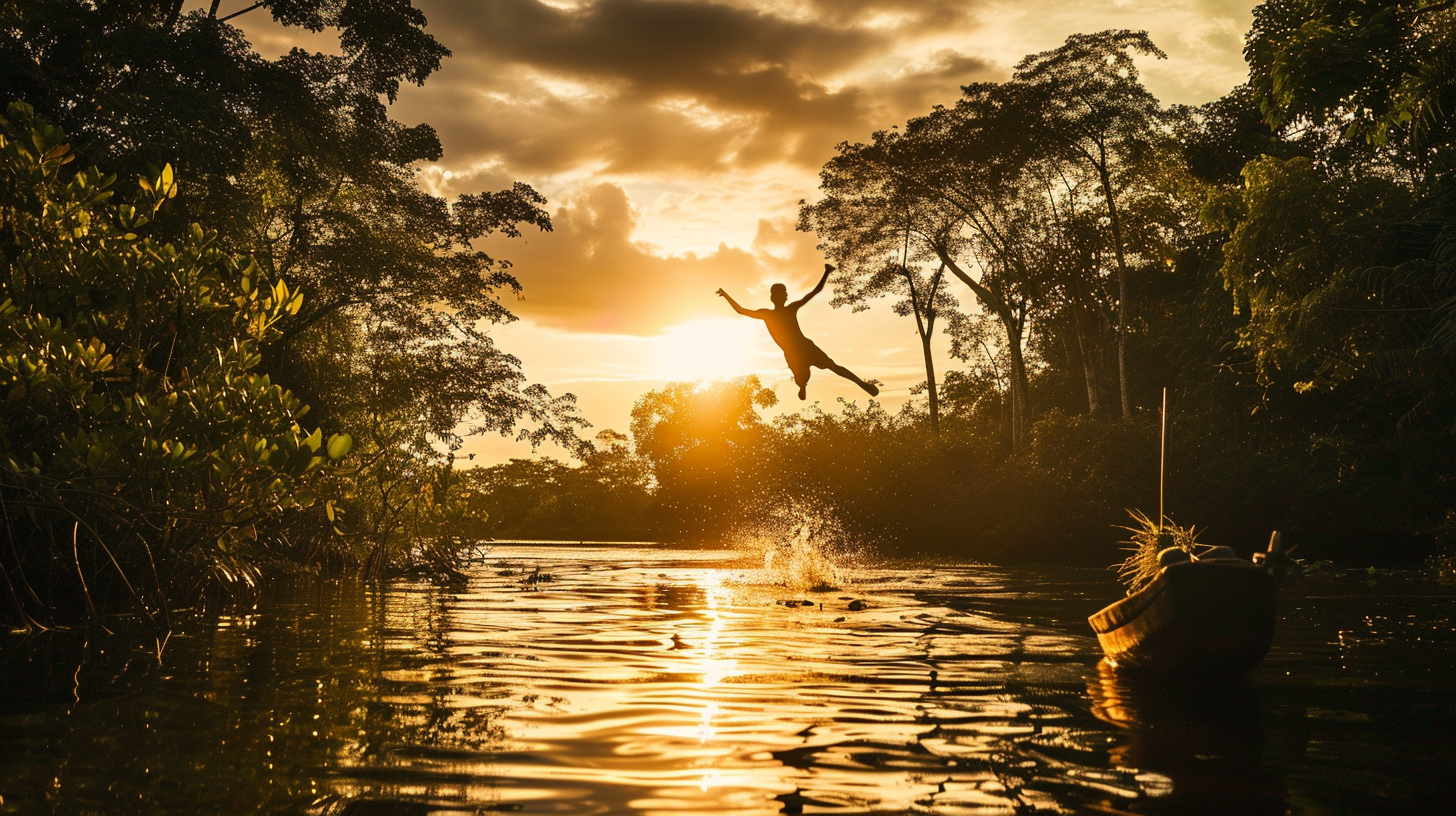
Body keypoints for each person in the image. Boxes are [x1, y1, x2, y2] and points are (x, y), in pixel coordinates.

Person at [717, 264, 879, 400]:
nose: (785, 295)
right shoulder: (768, 314)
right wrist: (726, 295)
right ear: (773, 297)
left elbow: (813, 293)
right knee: (803, 377)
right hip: (795, 352)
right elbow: (741, 310)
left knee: (832, 366)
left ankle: (861, 384)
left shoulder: (786, 310)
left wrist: (826, 273)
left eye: (786, 293)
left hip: (804, 347)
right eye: (783, 293)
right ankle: (803, 385)